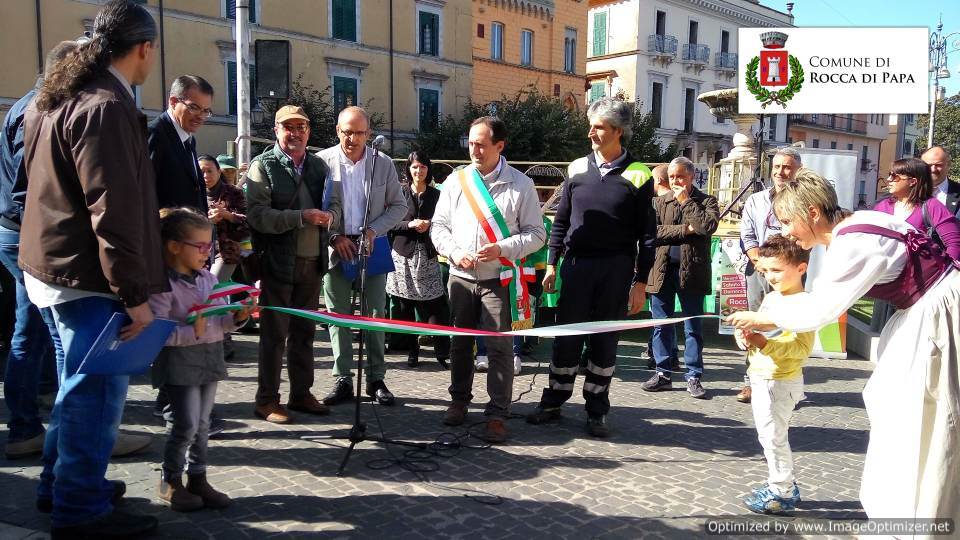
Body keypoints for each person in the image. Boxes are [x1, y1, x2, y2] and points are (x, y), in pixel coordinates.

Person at [727, 169, 960, 527]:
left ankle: (915, 520)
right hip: (924, 311)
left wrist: (762, 318)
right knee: (892, 405)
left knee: (917, 416)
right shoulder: (861, 222)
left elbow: (819, 310)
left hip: (934, 316)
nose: (786, 231)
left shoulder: (852, 244)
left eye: (789, 221)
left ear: (813, 212)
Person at [20, 1, 164, 536]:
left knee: (72, 387)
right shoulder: (104, 106)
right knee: (94, 395)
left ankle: (61, 486)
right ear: (144, 48)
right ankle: (79, 509)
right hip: (88, 280)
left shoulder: (53, 98)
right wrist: (135, 296)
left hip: (52, 270)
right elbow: (114, 212)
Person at [525, 98, 655, 437]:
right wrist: (552, 263)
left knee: (604, 342)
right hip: (577, 267)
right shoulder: (576, 169)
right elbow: (561, 222)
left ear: (617, 132)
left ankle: (597, 410)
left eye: (598, 127)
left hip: (616, 269)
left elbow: (648, 235)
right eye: (591, 125)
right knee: (566, 338)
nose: (591, 132)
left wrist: (640, 282)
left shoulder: (640, 174)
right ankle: (553, 400)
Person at [431, 116, 546, 443]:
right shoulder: (456, 181)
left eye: (481, 144)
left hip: (500, 280)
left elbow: (537, 235)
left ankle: (497, 413)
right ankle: (459, 401)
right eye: (470, 143)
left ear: (499, 145)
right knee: (461, 343)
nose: (474, 150)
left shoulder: (521, 184)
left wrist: (503, 248)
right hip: (461, 277)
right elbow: (439, 227)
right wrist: (454, 252)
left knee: (499, 347)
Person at [0, 40, 77, 460]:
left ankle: (32, 417)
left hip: (17, 232)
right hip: (25, 235)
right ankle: (50, 429)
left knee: (30, 329)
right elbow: (25, 190)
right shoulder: (38, 110)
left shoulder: (27, 106)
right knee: (57, 333)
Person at [246, 104, 339, 424]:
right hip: (277, 263)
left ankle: (301, 394)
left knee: (304, 334)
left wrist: (332, 217)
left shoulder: (319, 167)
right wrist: (301, 217)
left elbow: (335, 204)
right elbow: (257, 217)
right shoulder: (263, 166)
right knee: (274, 335)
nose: (295, 133)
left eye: (301, 127)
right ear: (276, 131)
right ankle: (267, 399)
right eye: (288, 127)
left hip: (313, 263)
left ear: (309, 132)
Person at [149, 208, 247, 512]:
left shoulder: (207, 279)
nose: (208, 253)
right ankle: (171, 480)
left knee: (203, 424)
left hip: (209, 358)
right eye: (201, 246)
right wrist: (193, 329)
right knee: (185, 424)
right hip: (180, 364)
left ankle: (198, 477)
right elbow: (157, 333)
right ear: (175, 246)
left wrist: (238, 316)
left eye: (210, 246)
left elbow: (220, 321)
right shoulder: (162, 284)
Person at [318, 106, 407, 407]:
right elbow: (316, 211)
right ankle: (342, 379)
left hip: (373, 247)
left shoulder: (382, 163)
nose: (351, 138)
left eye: (358, 132)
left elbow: (399, 207)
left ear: (369, 134)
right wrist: (333, 236)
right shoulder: (322, 163)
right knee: (337, 317)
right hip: (337, 248)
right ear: (337, 131)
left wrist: (373, 231)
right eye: (346, 131)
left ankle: (376, 379)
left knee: (376, 315)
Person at [734, 234, 813, 514]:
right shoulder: (771, 298)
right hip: (762, 377)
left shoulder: (804, 304)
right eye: (765, 271)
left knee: (773, 437)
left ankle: (782, 491)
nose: (770, 277)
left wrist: (763, 344)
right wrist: (744, 337)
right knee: (769, 435)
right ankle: (783, 485)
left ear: (801, 269)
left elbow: (800, 349)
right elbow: (755, 334)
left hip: (780, 381)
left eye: (777, 270)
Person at [641, 157, 719, 398]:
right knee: (661, 325)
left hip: (692, 272)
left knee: (692, 327)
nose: (675, 181)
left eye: (680, 177)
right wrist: (686, 230)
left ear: (691, 177)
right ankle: (663, 372)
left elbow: (707, 226)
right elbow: (652, 233)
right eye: (672, 177)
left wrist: (686, 202)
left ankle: (694, 375)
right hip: (661, 271)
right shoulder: (657, 202)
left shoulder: (707, 201)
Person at [736, 147, 803, 403]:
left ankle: (786, 386)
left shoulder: (803, 202)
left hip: (790, 275)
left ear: (797, 170)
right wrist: (762, 264)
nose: (780, 172)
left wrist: (783, 268)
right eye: (776, 166)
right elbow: (748, 235)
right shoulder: (756, 200)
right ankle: (750, 383)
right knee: (754, 324)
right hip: (758, 271)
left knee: (788, 326)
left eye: (787, 167)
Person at [385, 151, 450, 369]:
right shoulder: (400, 194)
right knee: (405, 306)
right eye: (414, 167)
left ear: (428, 169)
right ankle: (412, 352)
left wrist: (429, 223)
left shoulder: (436, 195)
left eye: (422, 167)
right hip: (403, 255)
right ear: (408, 169)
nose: (418, 171)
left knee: (435, 305)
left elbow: (445, 220)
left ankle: (442, 351)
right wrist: (409, 225)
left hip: (428, 255)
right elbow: (389, 223)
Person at [873, 157, 960, 260]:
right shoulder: (882, 206)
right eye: (889, 175)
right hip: (887, 272)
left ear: (912, 181)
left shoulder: (931, 206)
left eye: (894, 176)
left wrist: (944, 272)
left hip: (921, 273)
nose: (889, 180)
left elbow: (955, 243)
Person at [149, 75, 214, 212]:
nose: (201, 116)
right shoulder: (154, 135)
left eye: (206, 111)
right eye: (194, 107)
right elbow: (143, 194)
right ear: (173, 102)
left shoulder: (189, 139)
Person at [200, 154, 250, 282]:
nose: (206, 176)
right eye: (201, 172)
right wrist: (208, 221)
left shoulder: (234, 192)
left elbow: (248, 222)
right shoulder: (193, 193)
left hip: (226, 252)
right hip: (199, 252)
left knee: (212, 291)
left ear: (218, 171)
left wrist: (227, 215)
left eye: (209, 171)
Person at [923, 145, 959, 217]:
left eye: (938, 165)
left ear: (948, 165)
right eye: (929, 165)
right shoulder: (909, 190)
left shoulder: (958, 190)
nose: (933, 169)